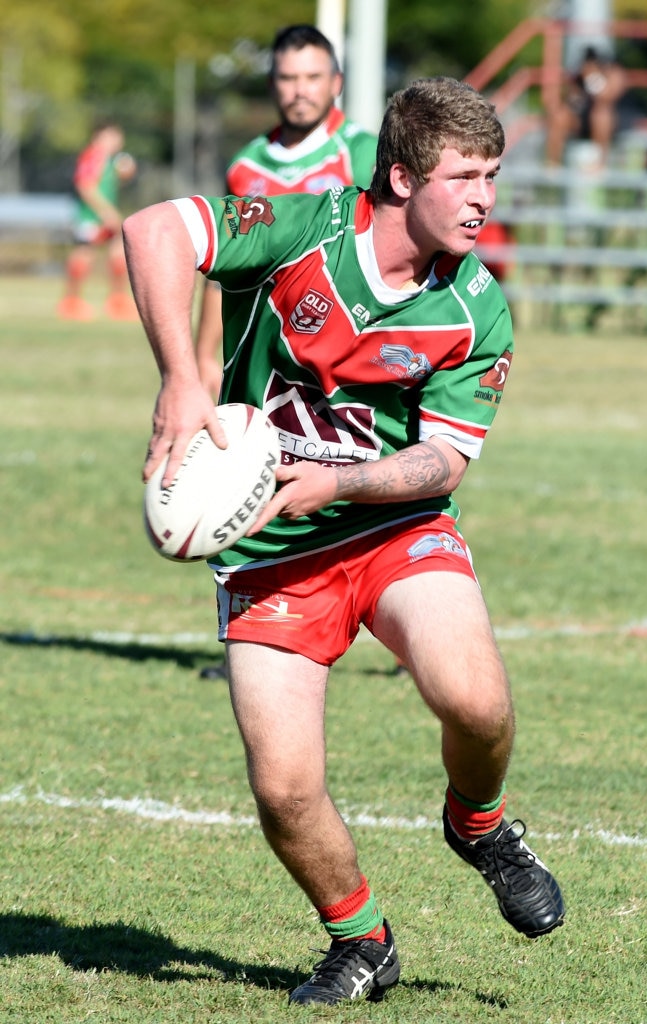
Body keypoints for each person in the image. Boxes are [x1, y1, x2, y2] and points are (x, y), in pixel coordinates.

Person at [123, 76, 565, 1007]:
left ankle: (479, 825)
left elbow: (442, 462)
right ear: (402, 179)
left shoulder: (476, 306)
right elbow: (154, 230)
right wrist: (181, 380)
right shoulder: (299, 232)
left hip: (392, 525)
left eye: (494, 174)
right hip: (271, 555)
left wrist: (338, 483)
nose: (486, 197)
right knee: (284, 788)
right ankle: (361, 939)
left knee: (475, 702)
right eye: (466, 176)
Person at [195, 23, 379, 680]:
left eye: (311, 77)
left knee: (361, 479)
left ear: (334, 82)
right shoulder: (248, 166)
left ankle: (402, 612)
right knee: (236, 486)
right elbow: (223, 267)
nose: (299, 91)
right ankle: (252, 634)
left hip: (349, 356)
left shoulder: (364, 154)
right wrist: (198, 368)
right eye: (287, 78)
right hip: (264, 357)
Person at [57, 120, 138, 322]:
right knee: (84, 254)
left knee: (118, 250)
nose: (118, 141)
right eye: (113, 136)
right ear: (99, 136)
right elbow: (85, 186)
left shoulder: (109, 160)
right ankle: (71, 303)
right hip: (91, 217)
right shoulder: (93, 155)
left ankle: (117, 301)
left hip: (103, 217)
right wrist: (106, 211)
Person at [545, 47, 630, 169]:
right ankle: (553, 165)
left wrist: (592, 78)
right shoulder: (579, 76)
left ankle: (600, 164)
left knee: (601, 115)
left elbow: (605, 97)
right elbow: (572, 101)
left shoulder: (615, 72)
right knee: (560, 115)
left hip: (614, 120)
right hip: (583, 119)